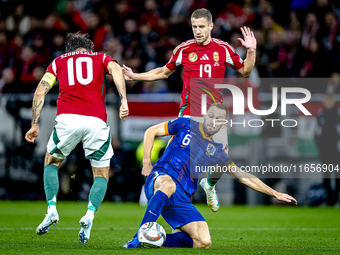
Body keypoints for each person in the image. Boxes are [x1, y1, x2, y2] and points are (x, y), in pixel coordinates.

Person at [123, 8, 257, 212]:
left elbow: (246, 71)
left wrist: (251, 50)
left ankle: (209, 186)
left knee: (221, 163)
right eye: (194, 27)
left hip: (214, 116)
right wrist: (135, 76)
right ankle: (158, 190)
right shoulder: (184, 49)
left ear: (211, 26)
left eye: (202, 27)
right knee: (177, 159)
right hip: (188, 114)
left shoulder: (223, 49)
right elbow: (163, 72)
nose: (198, 31)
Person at [124, 104, 297, 249]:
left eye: (218, 119)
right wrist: (147, 162)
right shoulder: (185, 123)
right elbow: (151, 131)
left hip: (182, 197)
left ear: (223, 123)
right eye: (211, 115)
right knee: (169, 185)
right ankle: (137, 238)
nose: (213, 121)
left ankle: (156, 239)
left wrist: (275, 193)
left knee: (203, 241)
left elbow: (243, 176)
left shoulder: (217, 151)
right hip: (160, 178)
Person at [25, 32, 129, 244]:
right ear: (88, 49)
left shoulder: (58, 62)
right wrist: (124, 100)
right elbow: (117, 69)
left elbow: (40, 92)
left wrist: (35, 124)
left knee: (51, 162)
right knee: (101, 173)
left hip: (67, 120)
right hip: (96, 121)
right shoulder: (100, 58)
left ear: (69, 50)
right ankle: (89, 214)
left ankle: (52, 209)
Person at [315, 93, 340, 206]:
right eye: (327, 100)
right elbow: (316, 133)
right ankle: (329, 200)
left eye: (330, 101)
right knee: (326, 176)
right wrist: (320, 147)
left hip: (337, 151)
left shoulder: (338, 114)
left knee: (338, 175)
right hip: (325, 151)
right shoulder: (321, 115)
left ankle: (336, 199)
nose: (329, 103)